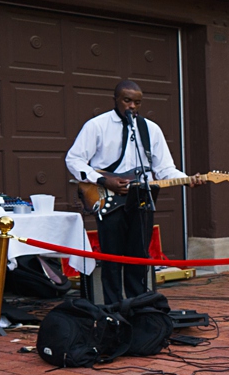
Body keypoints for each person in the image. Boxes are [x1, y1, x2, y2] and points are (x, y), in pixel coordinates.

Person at [65, 80, 184, 302]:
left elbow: (165, 168)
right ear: (116, 100)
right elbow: (74, 160)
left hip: (141, 198)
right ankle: (113, 309)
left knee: (139, 257)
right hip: (109, 199)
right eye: (127, 100)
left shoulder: (150, 129)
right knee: (112, 259)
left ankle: (138, 305)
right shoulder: (97, 126)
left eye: (137, 102)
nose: (132, 106)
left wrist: (187, 179)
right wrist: (102, 180)